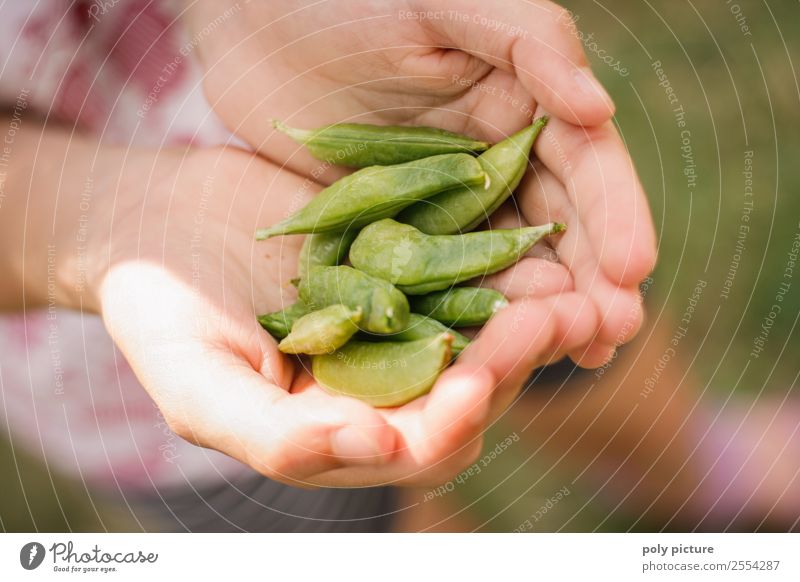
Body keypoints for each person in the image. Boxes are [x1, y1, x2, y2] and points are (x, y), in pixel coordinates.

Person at [0, 0, 654, 531]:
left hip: (284, 86)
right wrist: (81, 222)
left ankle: (695, 475)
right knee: (361, 517)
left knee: (577, 343)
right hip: (106, 376)